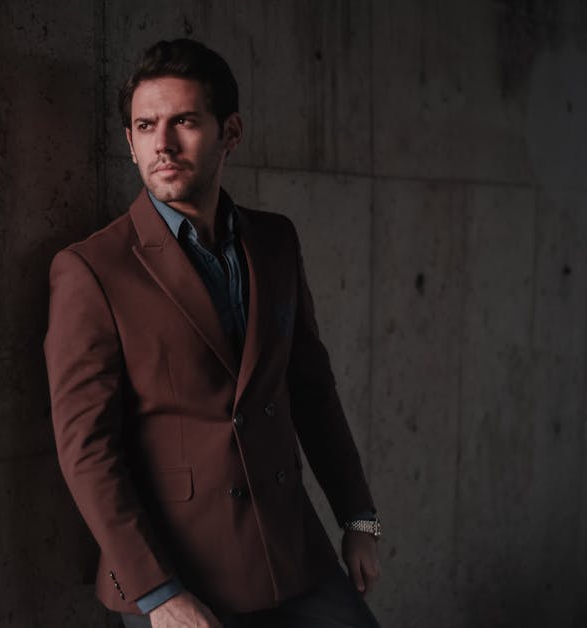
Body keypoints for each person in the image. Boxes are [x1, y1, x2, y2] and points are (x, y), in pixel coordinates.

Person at [44, 38, 382, 628]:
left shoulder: (275, 242)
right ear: (129, 141)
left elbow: (312, 389)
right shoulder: (94, 269)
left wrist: (357, 517)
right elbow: (87, 450)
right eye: (145, 126)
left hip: (295, 555)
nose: (163, 144)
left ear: (231, 132)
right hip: (180, 574)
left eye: (184, 122)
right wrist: (157, 593)